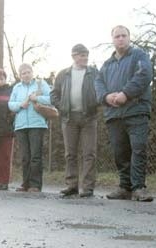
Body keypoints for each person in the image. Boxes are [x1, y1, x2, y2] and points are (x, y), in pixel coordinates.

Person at [95, 25, 153, 202]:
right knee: (120, 152)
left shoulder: (139, 56)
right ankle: (124, 186)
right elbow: (98, 84)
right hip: (114, 115)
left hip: (136, 111)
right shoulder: (107, 64)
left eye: (124, 35)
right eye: (117, 36)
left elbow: (144, 75)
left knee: (138, 149)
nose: (120, 39)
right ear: (112, 40)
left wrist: (125, 94)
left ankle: (138, 187)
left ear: (129, 38)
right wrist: (106, 96)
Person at [50, 44, 98, 198]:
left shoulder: (94, 73)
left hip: (89, 117)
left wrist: (95, 104)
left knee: (89, 153)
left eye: (86, 55)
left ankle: (87, 187)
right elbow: (54, 94)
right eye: (81, 55)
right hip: (69, 118)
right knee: (70, 154)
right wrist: (61, 107)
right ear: (74, 56)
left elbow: (102, 90)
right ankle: (71, 186)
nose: (85, 58)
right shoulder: (63, 74)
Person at [8, 63, 51, 192]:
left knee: (35, 156)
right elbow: (11, 104)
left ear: (32, 73)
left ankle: (35, 184)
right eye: (23, 73)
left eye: (28, 72)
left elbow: (51, 99)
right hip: (21, 126)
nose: (26, 75)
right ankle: (25, 183)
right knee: (25, 156)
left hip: (37, 124)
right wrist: (21, 104)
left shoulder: (40, 84)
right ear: (20, 75)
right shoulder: (17, 87)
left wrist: (36, 98)